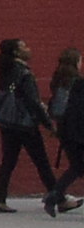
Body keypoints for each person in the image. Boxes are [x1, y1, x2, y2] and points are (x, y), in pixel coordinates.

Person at [0, 36, 57, 214]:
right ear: (16, 52)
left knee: (8, 161)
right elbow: (33, 102)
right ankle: (58, 197)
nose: (28, 49)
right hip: (25, 124)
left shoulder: (5, 71)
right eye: (24, 46)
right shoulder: (24, 73)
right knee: (41, 161)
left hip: (7, 123)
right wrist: (48, 124)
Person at [49, 47, 84, 215]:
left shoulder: (58, 81)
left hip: (64, 131)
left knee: (77, 167)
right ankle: (54, 195)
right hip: (78, 132)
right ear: (76, 63)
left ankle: (54, 195)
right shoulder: (79, 83)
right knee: (77, 167)